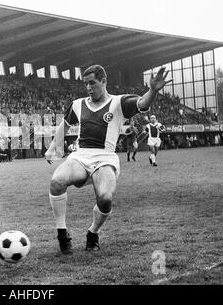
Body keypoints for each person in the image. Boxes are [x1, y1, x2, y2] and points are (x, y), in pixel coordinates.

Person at [44, 65, 170, 254]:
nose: (88, 87)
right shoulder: (78, 104)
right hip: (81, 156)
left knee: (105, 198)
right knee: (56, 182)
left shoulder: (119, 102)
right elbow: (65, 124)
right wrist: (52, 148)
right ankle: (62, 232)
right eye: (85, 84)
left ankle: (93, 232)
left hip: (105, 158)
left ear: (104, 81)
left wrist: (152, 90)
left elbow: (143, 104)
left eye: (92, 83)